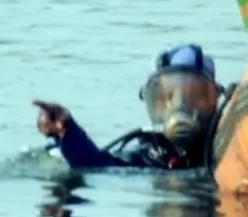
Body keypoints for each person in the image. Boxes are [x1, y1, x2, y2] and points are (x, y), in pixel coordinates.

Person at [34, 44, 227, 171]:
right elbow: (99, 166)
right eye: (166, 97)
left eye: (195, 95)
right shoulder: (150, 153)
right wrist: (67, 130)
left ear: (215, 97)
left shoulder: (225, 144)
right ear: (151, 101)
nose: (180, 107)